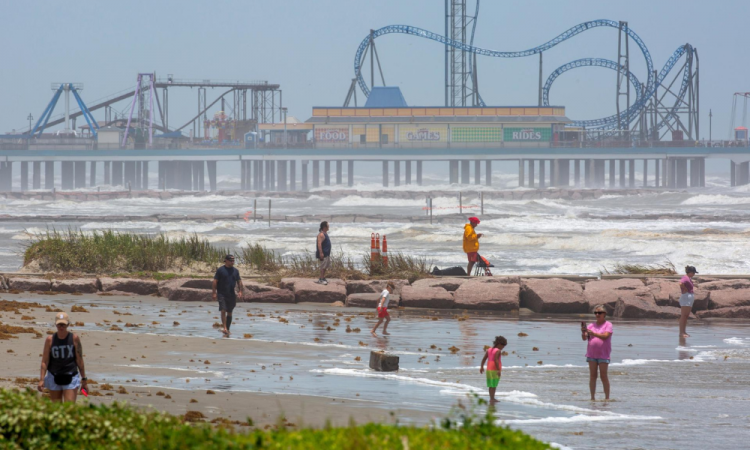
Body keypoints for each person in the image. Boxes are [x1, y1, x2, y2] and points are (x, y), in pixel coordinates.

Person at [38, 312, 88, 403]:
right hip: (54, 376)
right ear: (56, 324)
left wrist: (84, 379)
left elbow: (79, 360)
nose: (61, 327)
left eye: (63, 325)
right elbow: (45, 361)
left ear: (68, 324)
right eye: (59, 325)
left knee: (69, 408)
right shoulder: (50, 340)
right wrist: (41, 379)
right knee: (57, 408)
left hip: (71, 376)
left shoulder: (74, 338)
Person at [582, 305, 613, 401]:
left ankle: (607, 398)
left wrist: (594, 334)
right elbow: (584, 338)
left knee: (603, 376)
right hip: (592, 354)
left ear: (604, 314)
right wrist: (583, 332)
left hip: (603, 354)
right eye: (595, 313)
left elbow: (605, 336)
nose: (597, 314)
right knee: (592, 376)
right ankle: (592, 398)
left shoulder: (608, 325)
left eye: (599, 313)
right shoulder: (591, 325)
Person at [212, 254, 243, 336]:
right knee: (223, 310)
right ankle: (225, 328)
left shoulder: (235, 271)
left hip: (231, 294)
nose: (232, 262)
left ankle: (227, 329)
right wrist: (214, 292)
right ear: (226, 260)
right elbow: (215, 281)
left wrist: (240, 291)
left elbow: (239, 281)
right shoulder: (220, 270)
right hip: (221, 293)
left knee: (229, 312)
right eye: (231, 260)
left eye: (233, 260)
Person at [480, 335, 506, 404]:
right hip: (495, 369)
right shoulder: (498, 351)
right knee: (494, 385)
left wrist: (482, 367)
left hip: (489, 369)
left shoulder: (489, 350)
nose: (503, 348)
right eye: (503, 346)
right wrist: (498, 370)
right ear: (499, 344)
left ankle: (491, 398)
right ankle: (492, 398)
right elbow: (496, 360)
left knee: (490, 384)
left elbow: (484, 358)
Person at [679, 266, 698, 338]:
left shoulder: (688, 278)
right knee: (684, 315)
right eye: (693, 273)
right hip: (686, 297)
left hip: (689, 297)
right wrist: (684, 289)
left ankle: (684, 331)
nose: (694, 274)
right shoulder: (685, 277)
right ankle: (681, 332)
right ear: (690, 272)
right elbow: (681, 283)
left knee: (686, 316)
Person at [316, 221, 331, 285]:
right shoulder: (321, 234)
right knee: (322, 266)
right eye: (328, 225)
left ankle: (323, 277)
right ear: (324, 227)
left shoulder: (325, 234)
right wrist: (321, 253)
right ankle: (321, 279)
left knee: (325, 266)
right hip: (323, 254)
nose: (329, 226)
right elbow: (319, 244)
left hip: (327, 253)